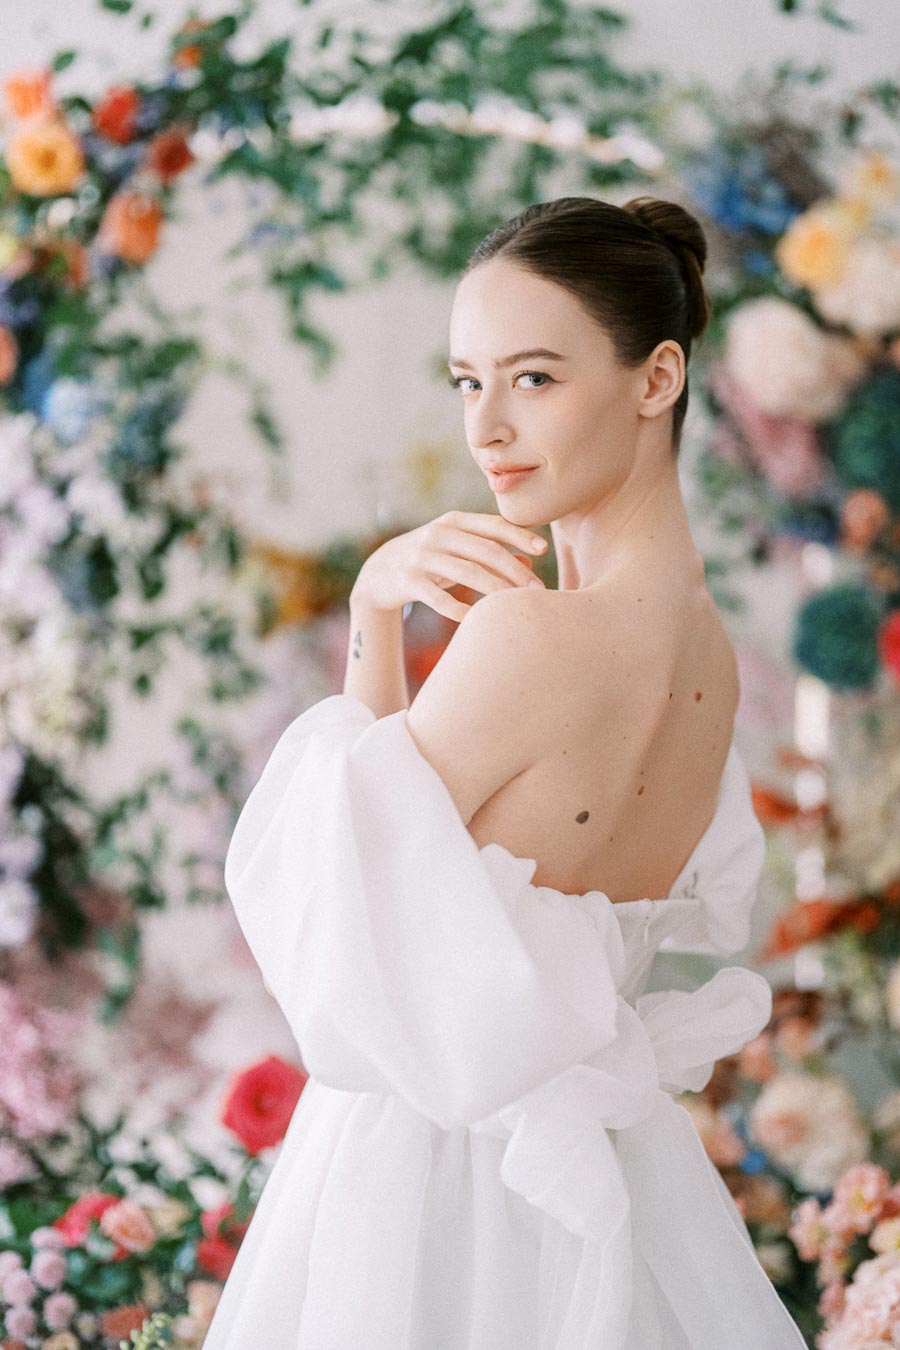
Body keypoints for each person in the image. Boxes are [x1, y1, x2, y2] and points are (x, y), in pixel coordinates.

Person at [204, 196, 808, 1349]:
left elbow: (335, 917)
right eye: (467, 381)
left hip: (431, 1183)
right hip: (616, 1177)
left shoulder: (527, 637)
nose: (487, 428)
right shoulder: (714, 664)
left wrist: (375, 611)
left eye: (533, 377)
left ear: (657, 378)